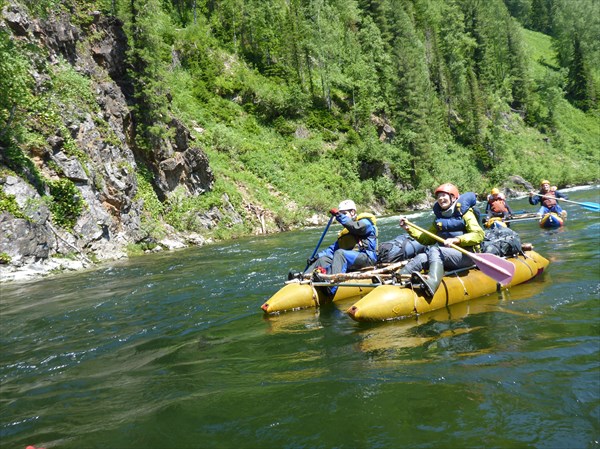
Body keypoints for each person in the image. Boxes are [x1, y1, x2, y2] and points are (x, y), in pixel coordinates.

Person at [398, 183, 485, 298]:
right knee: (422, 257)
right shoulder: (439, 218)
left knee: (435, 250)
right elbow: (426, 239)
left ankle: (432, 283)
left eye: (444, 195)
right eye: (438, 196)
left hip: (467, 256)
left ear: (453, 198)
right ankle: (398, 279)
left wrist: (458, 239)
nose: (440, 198)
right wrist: (409, 229)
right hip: (446, 256)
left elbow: (479, 235)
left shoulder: (466, 214)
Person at [305, 199, 378, 284]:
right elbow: (333, 249)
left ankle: (331, 285)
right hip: (351, 258)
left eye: (344, 214)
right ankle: (304, 278)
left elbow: (356, 227)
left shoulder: (366, 223)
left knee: (340, 254)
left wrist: (338, 215)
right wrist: (316, 257)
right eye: (341, 213)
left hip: (367, 258)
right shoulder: (346, 231)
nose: (341, 216)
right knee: (323, 259)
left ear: (353, 212)